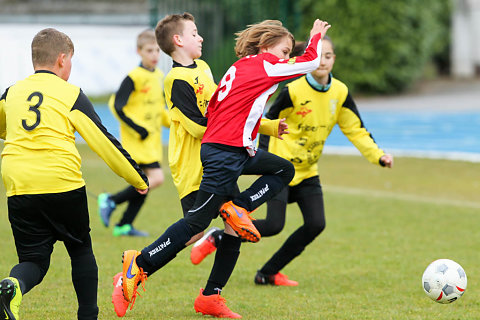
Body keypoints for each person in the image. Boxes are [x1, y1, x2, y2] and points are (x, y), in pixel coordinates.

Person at [119, 18, 331, 318]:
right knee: (195, 225)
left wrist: (263, 128)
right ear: (267, 46)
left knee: (280, 172)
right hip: (220, 154)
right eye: (283, 51)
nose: (285, 58)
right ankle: (139, 263)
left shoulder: (237, 66)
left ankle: (211, 295)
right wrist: (316, 36)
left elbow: (223, 103)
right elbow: (308, 62)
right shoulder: (262, 65)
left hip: (234, 150)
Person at [191, 36, 394, 287]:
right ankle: (219, 238)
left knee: (316, 224)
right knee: (275, 225)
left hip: (308, 171)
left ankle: (267, 273)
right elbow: (263, 123)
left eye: (328, 56)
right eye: (318, 55)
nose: (323, 61)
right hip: (281, 168)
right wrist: (257, 158)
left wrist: (378, 155)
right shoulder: (293, 90)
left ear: (334, 60)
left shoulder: (340, 92)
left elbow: (355, 129)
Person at [0, 28, 148, 320]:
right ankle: (87, 316)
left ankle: (12, 285)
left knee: (33, 260)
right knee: (80, 250)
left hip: (19, 186)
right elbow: (105, 143)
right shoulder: (71, 94)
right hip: (61, 182)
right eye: (71, 62)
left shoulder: (11, 92)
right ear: (61, 59)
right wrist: (137, 179)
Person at [97, 29, 169, 237]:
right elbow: (117, 106)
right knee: (155, 179)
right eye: (149, 50)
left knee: (143, 184)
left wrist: (177, 122)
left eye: (157, 50)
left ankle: (124, 225)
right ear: (139, 51)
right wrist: (138, 129)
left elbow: (158, 111)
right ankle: (111, 200)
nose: (154, 55)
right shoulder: (133, 77)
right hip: (137, 142)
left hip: (151, 143)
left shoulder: (158, 76)